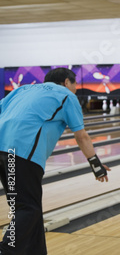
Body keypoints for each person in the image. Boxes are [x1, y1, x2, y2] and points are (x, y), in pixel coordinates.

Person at [0, 68, 110, 255]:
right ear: (67, 82)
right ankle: (6, 249)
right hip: (22, 154)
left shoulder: (22, 89)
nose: (75, 89)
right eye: (75, 85)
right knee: (28, 208)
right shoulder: (67, 96)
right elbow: (81, 135)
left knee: (26, 208)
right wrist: (96, 165)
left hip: (3, 150)